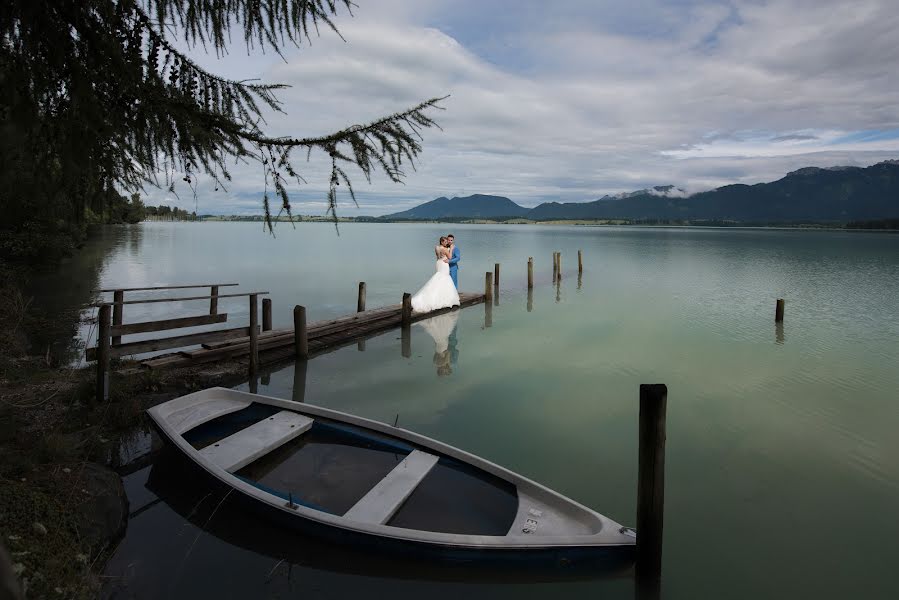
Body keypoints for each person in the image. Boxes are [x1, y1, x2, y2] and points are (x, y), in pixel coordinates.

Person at [410, 236, 461, 313]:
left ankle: (439, 295)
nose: (448, 242)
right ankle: (444, 298)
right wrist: (451, 250)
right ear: (442, 242)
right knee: (445, 279)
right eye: (446, 241)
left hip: (439, 263)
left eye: (449, 241)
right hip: (444, 264)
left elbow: (439, 257)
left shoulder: (437, 247)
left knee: (438, 278)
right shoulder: (444, 249)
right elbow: (450, 257)